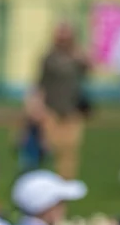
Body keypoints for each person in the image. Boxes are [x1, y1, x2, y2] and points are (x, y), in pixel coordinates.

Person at [30, 21, 91, 180]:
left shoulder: (76, 57)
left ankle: (66, 180)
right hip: (52, 108)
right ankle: (47, 177)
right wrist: (37, 106)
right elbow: (40, 84)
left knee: (70, 148)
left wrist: (80, 54)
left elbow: (88, 69)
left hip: (72, 108)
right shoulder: (49, 58)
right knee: (51, 145)